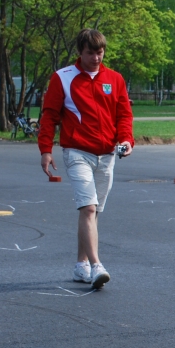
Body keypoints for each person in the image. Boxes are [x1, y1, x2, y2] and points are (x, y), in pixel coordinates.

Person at [38, 28, 133, 289]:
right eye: (90, 53)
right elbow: (49, 116)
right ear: (80, 52)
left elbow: (124, 114)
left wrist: (126, 140)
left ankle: (81, 265)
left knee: (93, 211)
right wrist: (45, 150)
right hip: (77, 152)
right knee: (88, 208)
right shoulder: (62, 78)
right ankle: (96, 265)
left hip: (107, 155)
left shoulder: (114, 79)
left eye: (100, 53)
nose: (96, 58)